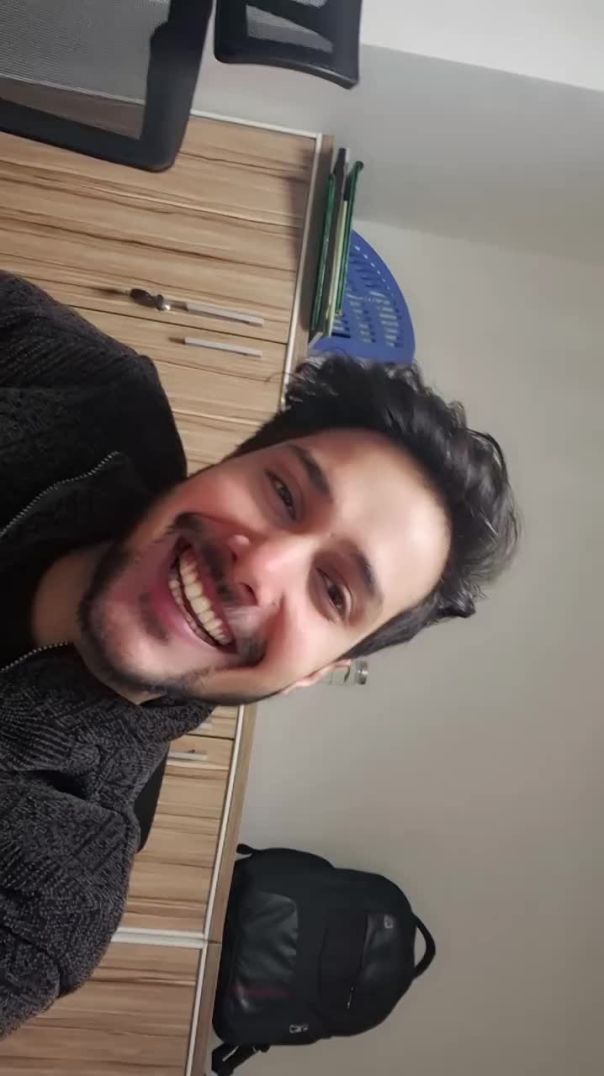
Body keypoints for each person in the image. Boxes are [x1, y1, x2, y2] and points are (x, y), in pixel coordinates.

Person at [0, 273, 518, 1035]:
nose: (261, 564)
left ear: (315, 673)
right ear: (228, 462)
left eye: (333, 591)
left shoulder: (44, 900)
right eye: (282, 494)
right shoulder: (77, 384)